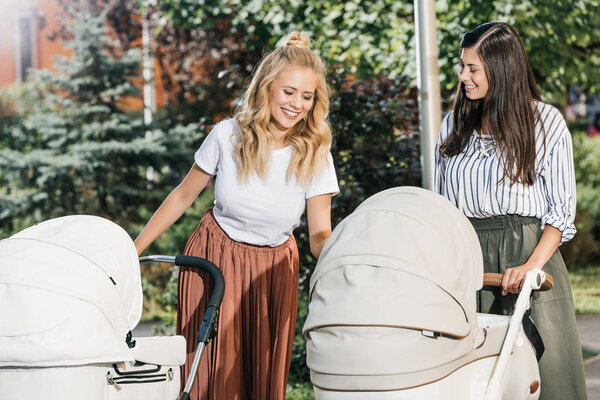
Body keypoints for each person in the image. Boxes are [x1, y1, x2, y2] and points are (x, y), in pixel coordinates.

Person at [134, 32, 339, 400]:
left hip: (274, 268)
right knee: (209, 376)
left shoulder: (316, 153)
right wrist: (132, 250)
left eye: (306, 96)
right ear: (267, 88)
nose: (297, 104)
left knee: (259, 377)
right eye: (288, 92)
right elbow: (182, 197)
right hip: (214, 258)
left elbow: (320, 234)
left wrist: (348, 263)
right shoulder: (227, 135)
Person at [434, 22, 587, 399]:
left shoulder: (545, 123)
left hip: (529, 257)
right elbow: (441, 205)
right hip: (467, 263)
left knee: (543, 377)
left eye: (473, 69)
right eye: (462, 66)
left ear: (501, 71)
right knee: (471, 379)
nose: (463, 76)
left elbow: (561, 213)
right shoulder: (454, 124)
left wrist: (531, 267)